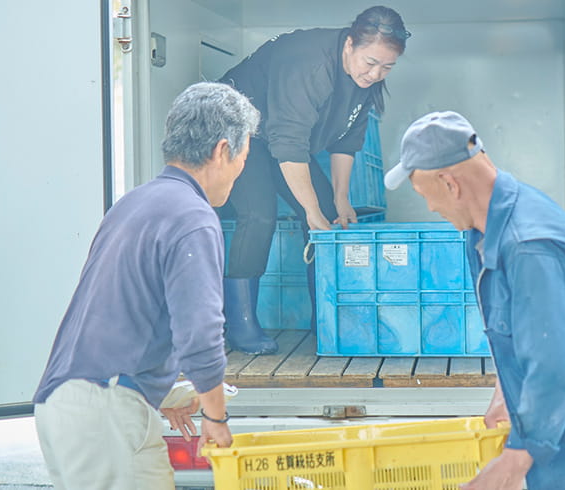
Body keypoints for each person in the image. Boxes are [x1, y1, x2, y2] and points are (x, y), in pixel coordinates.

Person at [384, 111, 565, 490]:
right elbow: (520, 333)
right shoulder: (485, 230)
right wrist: (505, 393)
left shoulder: (531, 249)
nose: (430, 208)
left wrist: (515, 462)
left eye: (423, 195)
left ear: (450, 185)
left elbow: (556, 365)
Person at [31, 82, 260, 489]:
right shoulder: (193, 216)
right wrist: (215, 416)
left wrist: (164, 390)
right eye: (244, 156)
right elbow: (201, 333)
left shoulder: (134, 203)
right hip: (106, 413)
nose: (243, 169)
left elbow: (126, 314)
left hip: (65, 404)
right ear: (223, 150)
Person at [217, 5, 410, 354]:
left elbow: (347, 140)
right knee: (259, 214)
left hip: (279, 139)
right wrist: (309, 210)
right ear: (349, 44)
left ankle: (325, 316)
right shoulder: (310, 63)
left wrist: (339, 199)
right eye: (370, 63)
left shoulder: (363, 78)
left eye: (387, 67)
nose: (376, 74)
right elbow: (289, 144)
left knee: (329, 217)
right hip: (238, 131)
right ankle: (240, 324)